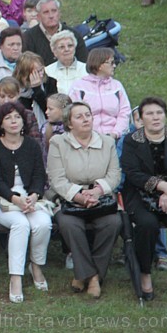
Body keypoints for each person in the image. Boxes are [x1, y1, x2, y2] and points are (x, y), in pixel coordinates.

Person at [121, 96, 167, 301]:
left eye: (159, 113)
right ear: (141, 118)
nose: (155, 117)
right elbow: (132, 172)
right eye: (150, 114)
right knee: (146, 225)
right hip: (140, 194)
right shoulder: (131, 140)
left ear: (165, 115)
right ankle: (144, 273)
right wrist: (161, 186)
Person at [47, 102, 122, 298]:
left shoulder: (107, 142)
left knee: (113, 223)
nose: (86, 119)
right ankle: (94, 277)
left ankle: (85, 276)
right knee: (70, 224)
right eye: (79, 116)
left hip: (101, 199)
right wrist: (79, 196)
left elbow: (114, 174)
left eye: (88, 115)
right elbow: (57, 178)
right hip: (70, 199)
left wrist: (97, 192)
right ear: (69, 124)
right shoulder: (58, 143)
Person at [0, 102, 51, 303]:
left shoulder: (32, 145)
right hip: (2, 200)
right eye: (8, 118)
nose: (13, 121)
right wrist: (16, 200)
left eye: (17, 117)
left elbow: (40, 175)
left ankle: (36, 265)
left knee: (42, 223)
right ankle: (16, 277)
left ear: (23, 121)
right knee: (20, 224)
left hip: (30, 197)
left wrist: (34, 195)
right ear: (0, 124)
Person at [68, 48, 131, 140]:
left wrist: (115, 133)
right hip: (86, 138)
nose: (114, 66)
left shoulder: (117, 86)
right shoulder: (78, 86)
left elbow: (125, 112)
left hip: (116, 138)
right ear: (100, 65)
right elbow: (72, 113)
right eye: (111, 62)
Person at [22, 0, 88, 66]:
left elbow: (83, 64)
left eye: (54, 11)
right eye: (46, 12)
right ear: (38, 16)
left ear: (59, 13)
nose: (51, 16)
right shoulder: (28, 37)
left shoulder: (74, 35)